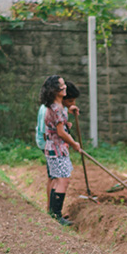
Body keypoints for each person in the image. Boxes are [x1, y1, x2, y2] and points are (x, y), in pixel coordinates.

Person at [40, 75, 81, 226]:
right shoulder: (57, 109)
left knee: (57, 179)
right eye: (62, 86)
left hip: (53, 148)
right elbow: (61, 133)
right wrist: (74, 143)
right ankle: (57, 216)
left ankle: (53, 213)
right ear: (55, 90)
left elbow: (57, 128)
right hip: (57, 150)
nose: (65, 88)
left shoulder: (54, 107)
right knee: (63, 180)